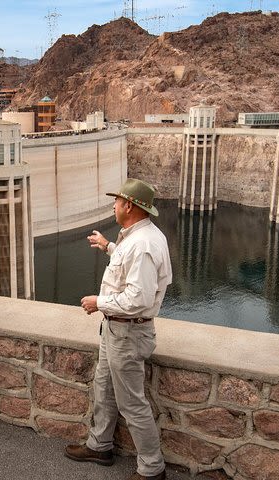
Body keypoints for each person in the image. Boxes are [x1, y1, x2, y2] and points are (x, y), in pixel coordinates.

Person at [64, 178, 172, 480]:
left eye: (117, 201)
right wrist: (109, 246)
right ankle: (100, 446)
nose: (113, 205)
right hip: (117, 330)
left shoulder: (144, 244)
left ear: (129, 206)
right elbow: (129, 269)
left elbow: (138, 297)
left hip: (128, 332)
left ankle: (152, 469)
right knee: (105, 388)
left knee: (132, 404)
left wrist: (100, 302)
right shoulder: (137, 237)